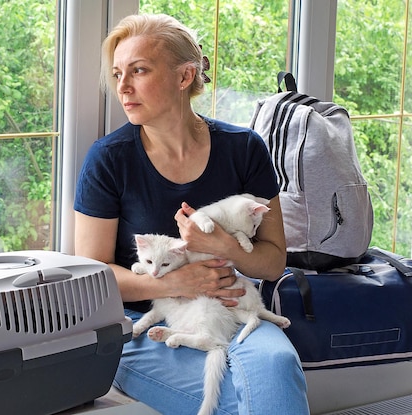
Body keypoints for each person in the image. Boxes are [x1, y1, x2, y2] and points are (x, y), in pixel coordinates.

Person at [74, 13, 309, 415]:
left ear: (184, 77)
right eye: (117, 75)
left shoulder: (244, 149)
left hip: (228, 309)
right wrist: (175, 283)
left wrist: (222, 247)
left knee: (279, 364)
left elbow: (273, 262)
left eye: (139, 70)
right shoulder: (108, 159)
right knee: (245, 400)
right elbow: (91, 274)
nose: (123, 87)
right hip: (140, 325)